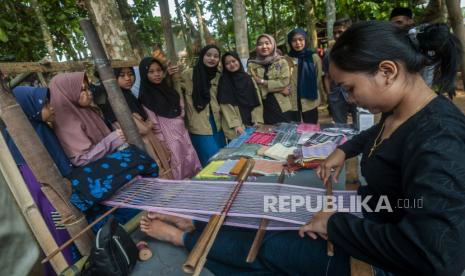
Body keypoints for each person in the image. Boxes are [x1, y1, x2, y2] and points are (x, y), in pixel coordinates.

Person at [140, 21, 465, 275]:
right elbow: (378, 136)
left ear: (387, 72)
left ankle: (182, 237)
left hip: (391, 264)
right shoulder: (402, 112)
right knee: (272, 220)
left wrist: (336, 225)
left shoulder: (440, 139)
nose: (349, 99)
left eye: (350, 88)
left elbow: (438, 257)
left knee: (268, 248)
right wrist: (343, 150)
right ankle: (196, 226)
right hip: (378, 215)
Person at [49, 72, 157, 229]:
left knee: (140, 212)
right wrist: (113, 139)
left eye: (88, 88)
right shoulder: (66, 122)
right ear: (68, 94)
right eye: (83, 90)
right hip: (105, 181)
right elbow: (82, 159)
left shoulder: (88, 110)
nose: (89, 93)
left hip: (116, 175)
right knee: (129, 220)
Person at [2, 86, 75, 275]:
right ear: (29, 106)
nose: (51, 108)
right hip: (44, 189)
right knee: (58, 226)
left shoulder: (37, 128)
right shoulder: (28, 135)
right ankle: (68, 266)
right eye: (45, 103)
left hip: (46, 189)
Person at [101, 67, 173, 179]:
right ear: (113, 78)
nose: (128, 78)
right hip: (142, 144)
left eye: (130, 74)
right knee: (157, 172)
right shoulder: (115, 100)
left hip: (148, 140)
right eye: (122, 75)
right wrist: (148, 124)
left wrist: (146, 123)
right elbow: (141, 129)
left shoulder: (128, 95)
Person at [138, 57, 201, 179]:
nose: (157, 74)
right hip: (169, 139)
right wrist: (163, 144)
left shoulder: (168, 90)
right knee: (178, 165)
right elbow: (154, 124)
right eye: (151, 72)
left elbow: (180, 108)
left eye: (159, 70)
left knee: (191, 159)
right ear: (144, 74)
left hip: (182, 132)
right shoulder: (146, 97)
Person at [179, 45, 226, 166]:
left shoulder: (219, 75)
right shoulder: (188, 74)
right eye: (208, 55)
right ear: (202, 56)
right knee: (211, 162)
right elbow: (175, 91)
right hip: (199, 125)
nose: (212, 58)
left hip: (218, 124)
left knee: (222, 159)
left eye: (216, 56)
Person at [218, 51, 263, 140]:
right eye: (227, 63)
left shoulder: (248, 78)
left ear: (238, 61)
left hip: (253, 123)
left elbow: (257, 101)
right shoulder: (224, 81)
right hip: (237, 126)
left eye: (234, 61)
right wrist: (236, 125)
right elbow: (225, 105)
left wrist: (257, 120)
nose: (231, 64)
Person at [248, 34, 292, 125]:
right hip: (261, 108)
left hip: (280, 105)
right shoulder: (252, 65)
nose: (264, 46)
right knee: (266, 136)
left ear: (273, 45)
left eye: (267, 43)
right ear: (257, 47)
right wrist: (279, 89)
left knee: (283, 134)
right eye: (260, 44)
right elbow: (253, 88)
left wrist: (262, 81)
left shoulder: (282, 62)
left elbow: (284, 82)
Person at [323, 18, 357, 124]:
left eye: (340, 32)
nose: (337, 35)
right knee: (339, 128)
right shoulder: (329, 53)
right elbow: (327, 77)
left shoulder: (360, 50)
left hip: (358, 94)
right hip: (336, 96)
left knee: (361, 125)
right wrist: (330, 95)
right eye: (334, 33)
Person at [285, 28, 323, 124]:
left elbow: (318, 78)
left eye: (301, 39)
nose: (298, 43)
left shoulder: (314, 57)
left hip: (309, 99)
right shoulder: (285, 59)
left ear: (305, 40)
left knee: (311, 128)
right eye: (294, 40)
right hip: (291, 99)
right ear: (290, 42)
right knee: (293, 129)